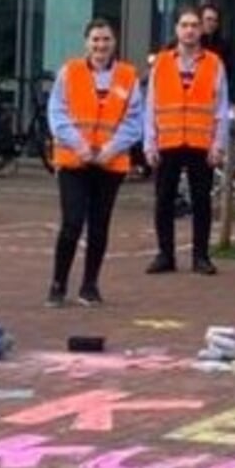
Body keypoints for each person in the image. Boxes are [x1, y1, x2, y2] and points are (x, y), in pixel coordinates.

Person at [47, 18, 144, 307]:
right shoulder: (70, 72)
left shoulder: (128, 76)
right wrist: (80, 146)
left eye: (106, 40)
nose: (101, 45)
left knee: (99, 226)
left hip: (109, 164)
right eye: (96, 40)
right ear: (86, 43)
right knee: (72, 223)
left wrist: (111, 149)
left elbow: (134, 120)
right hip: (74, 161)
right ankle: (58, 284)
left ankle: (90, 285)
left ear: (115, 43)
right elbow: (57, 114)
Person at [144, 7, 230, 277]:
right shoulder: (161, 62)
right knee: (164, 199)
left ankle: (201, 256)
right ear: (176, 30)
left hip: (200, 141)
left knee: (201, 200)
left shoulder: (214, 63)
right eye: (184, 25)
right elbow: (151, 105)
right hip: (167, 141)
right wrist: (149, 142)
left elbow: (221, 107)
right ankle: (165, 254)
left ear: (201, 30)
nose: (190, 30)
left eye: (194, 25)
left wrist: (218, 144)